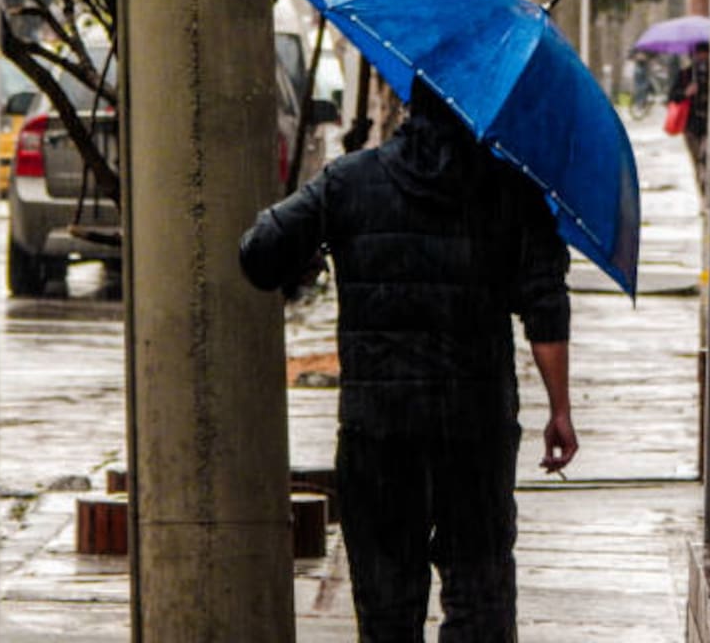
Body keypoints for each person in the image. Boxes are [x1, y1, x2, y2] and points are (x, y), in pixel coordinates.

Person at [239, 78, 576, 641]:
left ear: (409, 106)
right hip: (477, 429)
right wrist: (559, 409)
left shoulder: (349, 182)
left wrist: (320, 242)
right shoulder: (513, 191)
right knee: (480, 594)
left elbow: (259, 255)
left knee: (387, 607)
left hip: (379, 429)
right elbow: (546, 308)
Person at [669, 41, 710, 196]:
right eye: (699, 55)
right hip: (691, 126)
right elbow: (673, 97)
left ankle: (707, 188)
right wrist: (687, 92)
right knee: (697, 162)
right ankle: (702, 193)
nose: (702, 58)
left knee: (706, 159)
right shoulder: (686, 75)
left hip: (708, 125)